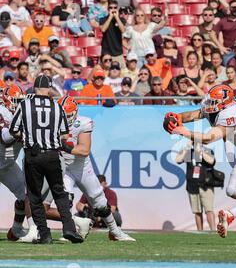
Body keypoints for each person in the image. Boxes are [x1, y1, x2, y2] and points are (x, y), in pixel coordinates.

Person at [166, 84, 236, 246]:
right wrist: (176, 118)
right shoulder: (216, 106)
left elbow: (209, 138)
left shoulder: (231, 111)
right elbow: (195, 114)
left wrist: (183, 132)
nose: (210, 104)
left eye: (215, 101)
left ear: (225, 102)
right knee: (232, 190)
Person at [39, 96, 135, 241]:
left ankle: (115, 231)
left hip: (81, 166)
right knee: (65, 200)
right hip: (62, 167)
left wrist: (64, 147)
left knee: (100, 202)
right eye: (62, 115)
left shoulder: (82, 123)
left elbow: (84, 150)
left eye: (68, 115)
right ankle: (70, 230)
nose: (65, 119)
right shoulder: (50, 122)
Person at [8, 75, 83, 244]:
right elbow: (64, 135)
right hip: (52, 155)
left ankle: (44, 233)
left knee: (34, 197)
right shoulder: (57, 107)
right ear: (49, 88)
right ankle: (69, 228)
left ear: (34, 88)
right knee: (60, 193)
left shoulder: (25, 105)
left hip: (33, 155)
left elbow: (13, 129)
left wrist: (27, 136)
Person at [0, 84, 34, 242]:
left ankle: (18, 229)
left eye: (20, 100)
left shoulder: (23, 114)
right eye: (15, 100)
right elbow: (5, 139)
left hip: (7, 166)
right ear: (6, 100)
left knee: (25, 195)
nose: (18, 103)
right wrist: (23, 128)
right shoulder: (2, 112)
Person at [175, 140, 216, 231]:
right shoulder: (189, 152)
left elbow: (211, 161)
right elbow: (178, 160)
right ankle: (200, 231)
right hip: (192, 185)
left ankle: (213, 230)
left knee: (209, 209)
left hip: (206, 185)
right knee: (197, 211)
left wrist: (200, 151)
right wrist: (186, 148)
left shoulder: (208, 151)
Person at [209, 0, 236, 65]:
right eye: (233, 7)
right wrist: (220, 47)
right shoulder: (223, 21)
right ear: (229, 8)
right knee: (229, 72)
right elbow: (212, 34)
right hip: (229, 52)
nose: (235, 9)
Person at [100, 0, 126, 68]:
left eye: (115, 7)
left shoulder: (122, 20)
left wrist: (117, 17)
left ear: (117, 9)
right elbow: (103, 29)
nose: (113, 9)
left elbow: (123, 30)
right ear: (108, 9)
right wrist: (110, 17)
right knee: (105, 73)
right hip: (106, 53)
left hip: (118, 52)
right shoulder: (103, 19)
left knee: (121, 73)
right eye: (111, 8)